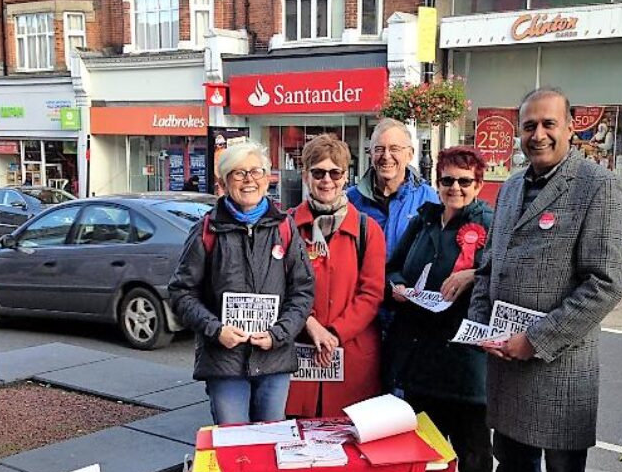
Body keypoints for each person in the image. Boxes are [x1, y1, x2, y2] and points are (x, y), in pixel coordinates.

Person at [460, 87, 622, 472]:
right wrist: (482, 323)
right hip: (505, 363)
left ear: (571, 126)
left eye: (548, 124)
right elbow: (491, 265)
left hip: (560, 371)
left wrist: (535, 340)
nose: (538, 135)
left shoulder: (598, 188)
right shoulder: (509, 188)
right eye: (529, 125)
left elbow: (605, 285)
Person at [387, 146, 495, 472]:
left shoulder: (489, 223)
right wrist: (396, 287)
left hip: (466, 361)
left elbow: (504, 272)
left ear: (478, 184)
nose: (455, 188)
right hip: (421, 355)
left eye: (464, 181)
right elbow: (392, 267)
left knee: (473, 454)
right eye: (447, 180)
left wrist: (473, 273)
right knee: (421, 451)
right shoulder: (424, 220)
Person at [169, 141, 314, 425]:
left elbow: (303, 291)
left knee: (271, 445)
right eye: (238, 173)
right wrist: (216, 330)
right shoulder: (205, 231)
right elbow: (180, 293)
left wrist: (279, 334)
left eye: (256, 172)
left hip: (274, 359)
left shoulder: (285, 228)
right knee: (234, 445)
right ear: (223, 182)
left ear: (267, 178)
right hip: (224, 363)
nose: (249, 180)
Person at [285, 134, 385, 418]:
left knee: (347, 448)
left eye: (334, 172)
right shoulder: (287, 226)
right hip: (299, 351)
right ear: (306, 176)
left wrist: (335, 333)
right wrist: (310, 323)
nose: (326, 180)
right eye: (318, 172)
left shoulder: (367, 230)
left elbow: (371, 293)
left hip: (351, 356)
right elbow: (279, 286)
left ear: (345, 177)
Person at [347, 118, 439, 260]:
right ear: (371, 154)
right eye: (379, 149)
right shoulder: (352, 199)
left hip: (407, 281)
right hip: (364, 281)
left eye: (394, 149)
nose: (386, 156)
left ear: (409, 154)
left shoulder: (427, 197)